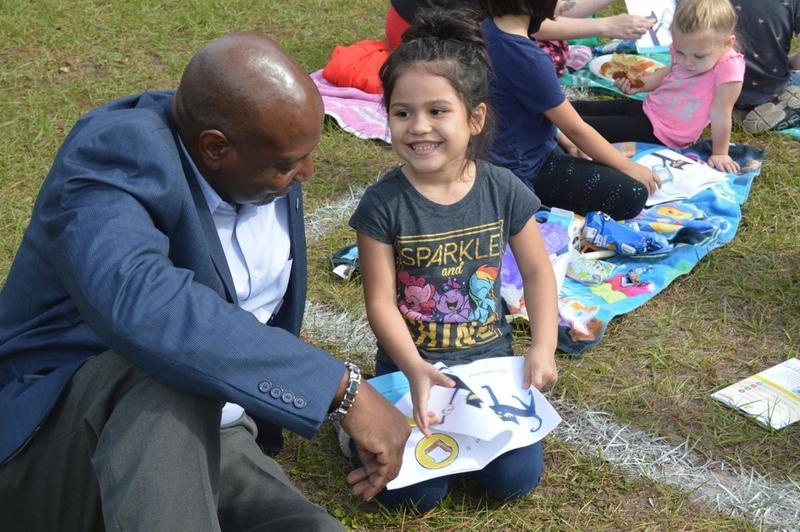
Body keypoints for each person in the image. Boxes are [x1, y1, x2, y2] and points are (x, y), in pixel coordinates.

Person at [0, 32, 410, 531]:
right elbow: (150, 308)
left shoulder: (261, 159)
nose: (306, 172)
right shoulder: (117, 156)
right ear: (215, 148)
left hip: (208, 432)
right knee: (166, 365)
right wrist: (339, 388)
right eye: (286, 165)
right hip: (55, 440)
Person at [349, 9, 559, 512]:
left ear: (476, 117)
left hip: (491, 372)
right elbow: (380, 303)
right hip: (410, 369)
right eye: (402, 112)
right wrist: (416, 368)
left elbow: (536, 272)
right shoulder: (382, 205)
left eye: (437, 111)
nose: (419, 127)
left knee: (513, 482)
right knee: (416, 497)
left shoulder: (502, 188)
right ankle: (358, 428)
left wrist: (543, 348)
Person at [479, 0, 658, 220]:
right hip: (524, 168)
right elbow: (576, 129)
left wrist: (562, 137)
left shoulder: (488, 27)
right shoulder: (528, 59)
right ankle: (530, 204)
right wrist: (628, 167)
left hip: (515, 149)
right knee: (633, 194)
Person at [572, 0, 745, 174]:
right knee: (572, 109)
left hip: (661, 134)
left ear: (727, 44)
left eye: (699, 57)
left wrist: (720, 153)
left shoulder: (728, 68)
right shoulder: (691, 49)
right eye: (679, 52)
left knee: (580, 126)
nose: (686, 61)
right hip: (647, 108)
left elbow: (721, 113)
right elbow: (669, 71)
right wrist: (641, 85)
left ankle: (553, 131)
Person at [385, 0, 655, 50]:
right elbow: (531, 25)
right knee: (542, 55)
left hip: (405, 23)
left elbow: (547, 9)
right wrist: (605, 26)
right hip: (422, 38)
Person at [733, 0, 800, 133]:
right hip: (768, 88)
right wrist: (789, 64)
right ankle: (785, 108)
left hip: (718, 86)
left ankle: (728, 111)